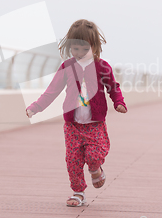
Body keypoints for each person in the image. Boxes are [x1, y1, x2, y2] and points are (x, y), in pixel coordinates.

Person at [25, 19, 128, 207]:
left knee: (93, 155)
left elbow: (113, 87)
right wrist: (35, 107)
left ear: (95, 46)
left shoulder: (102, 67)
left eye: (85, 49)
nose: (80, 54)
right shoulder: (66, 67)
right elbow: (52, 91)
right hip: (72, 126)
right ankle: (78, 192)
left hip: (95, 124)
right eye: (75, 49)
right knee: (72, 160)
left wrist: (118, 102)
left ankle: (96, 168)